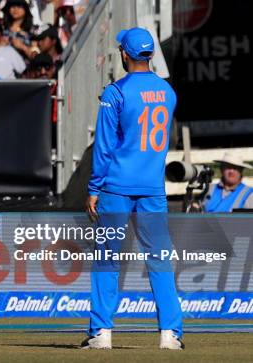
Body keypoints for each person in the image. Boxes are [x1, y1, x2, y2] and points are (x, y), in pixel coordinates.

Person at [84, 27, 183, 350]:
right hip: (152, 187)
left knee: (107, 260)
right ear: (150, 54)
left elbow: (104, 146)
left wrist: (94, 187)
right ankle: (170, 334)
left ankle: (101, 333)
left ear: (124, 54)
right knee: (160, 260)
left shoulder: (116, 92)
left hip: (116, 187)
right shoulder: (168, 92)